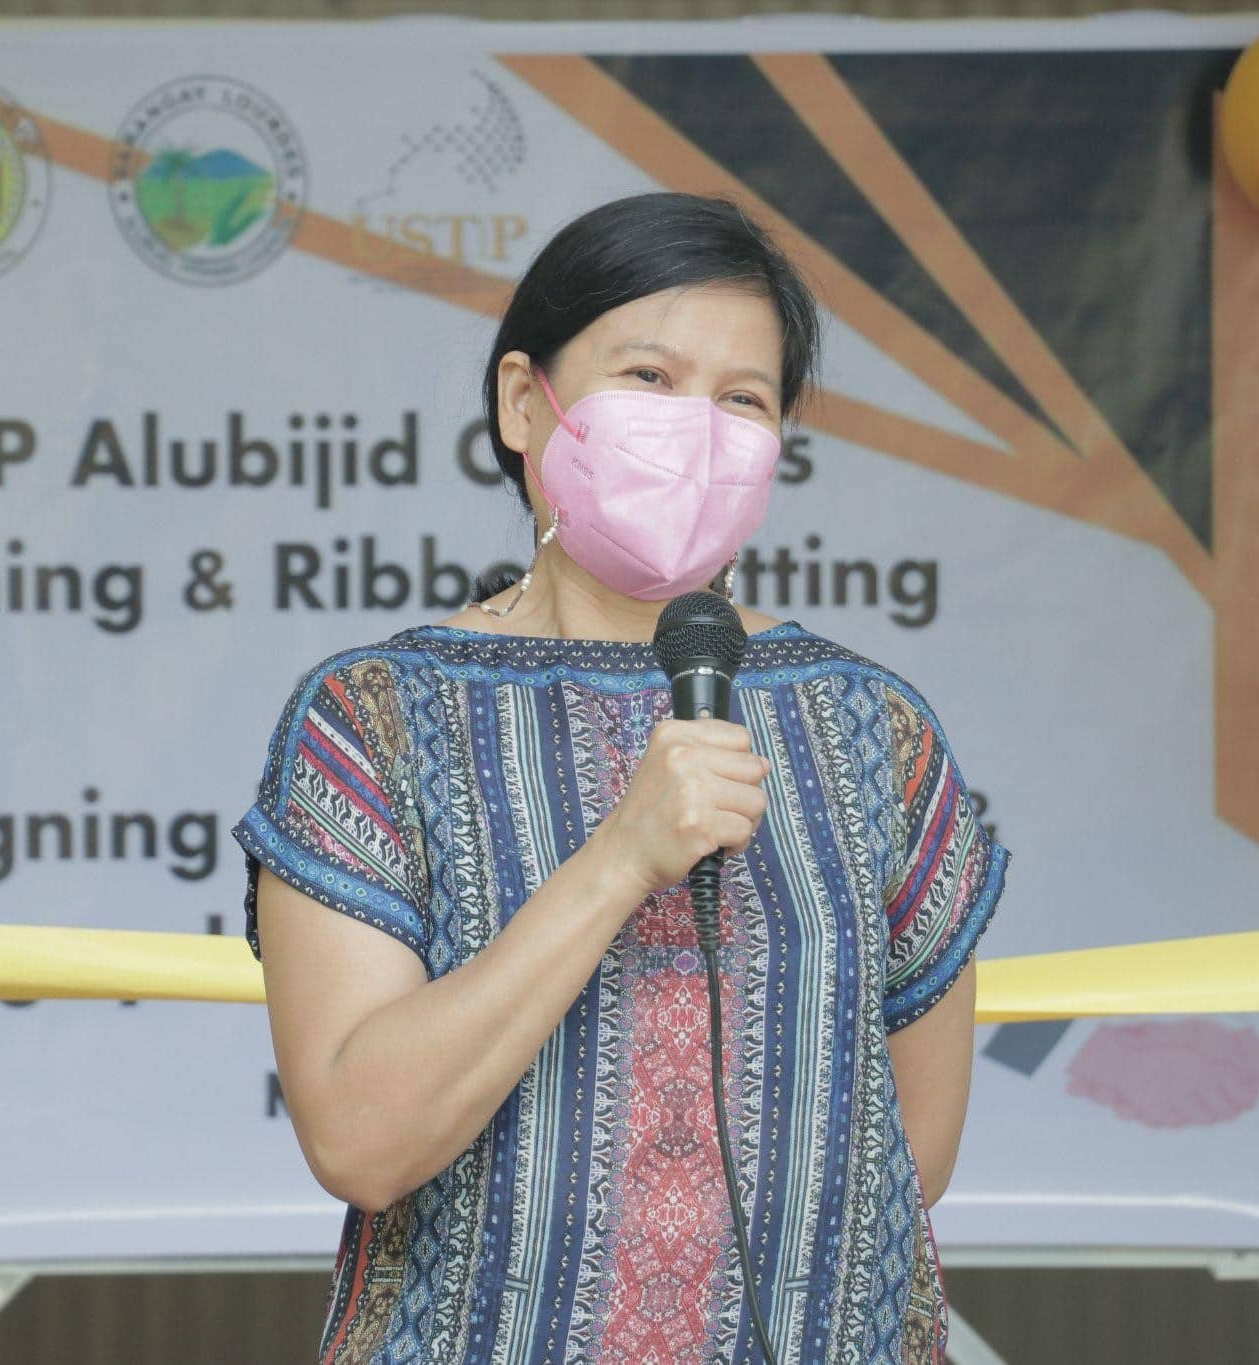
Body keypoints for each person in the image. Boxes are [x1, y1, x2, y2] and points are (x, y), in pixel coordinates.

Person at [231, 193, 1009, 1362]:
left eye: (741, 399)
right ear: (519, 403)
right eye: (647, 377)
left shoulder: (871, 726)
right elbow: (357, 1138)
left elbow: (912, 1155)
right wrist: (619, 859)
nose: (694, 427)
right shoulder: (374, 719)